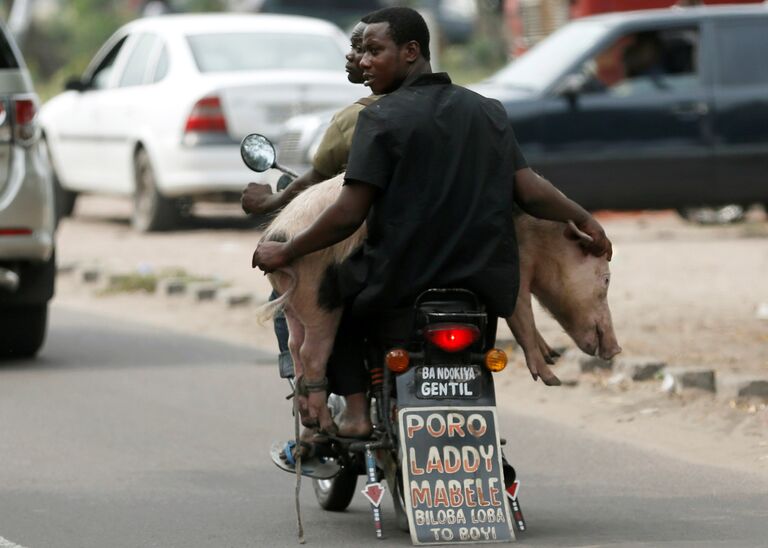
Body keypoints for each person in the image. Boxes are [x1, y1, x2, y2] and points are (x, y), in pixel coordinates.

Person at [253, 7, 612, 434]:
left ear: (410, 52)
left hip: (398, 283)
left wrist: (288, 249)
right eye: (362, 51)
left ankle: (355, 414)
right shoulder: (487, 111)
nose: (363, 61)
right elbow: (530, 190)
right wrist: (584, 217)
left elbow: (348, 213)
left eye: (374, 50)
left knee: (340, 304)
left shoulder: (379, 119)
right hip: (480, 289)